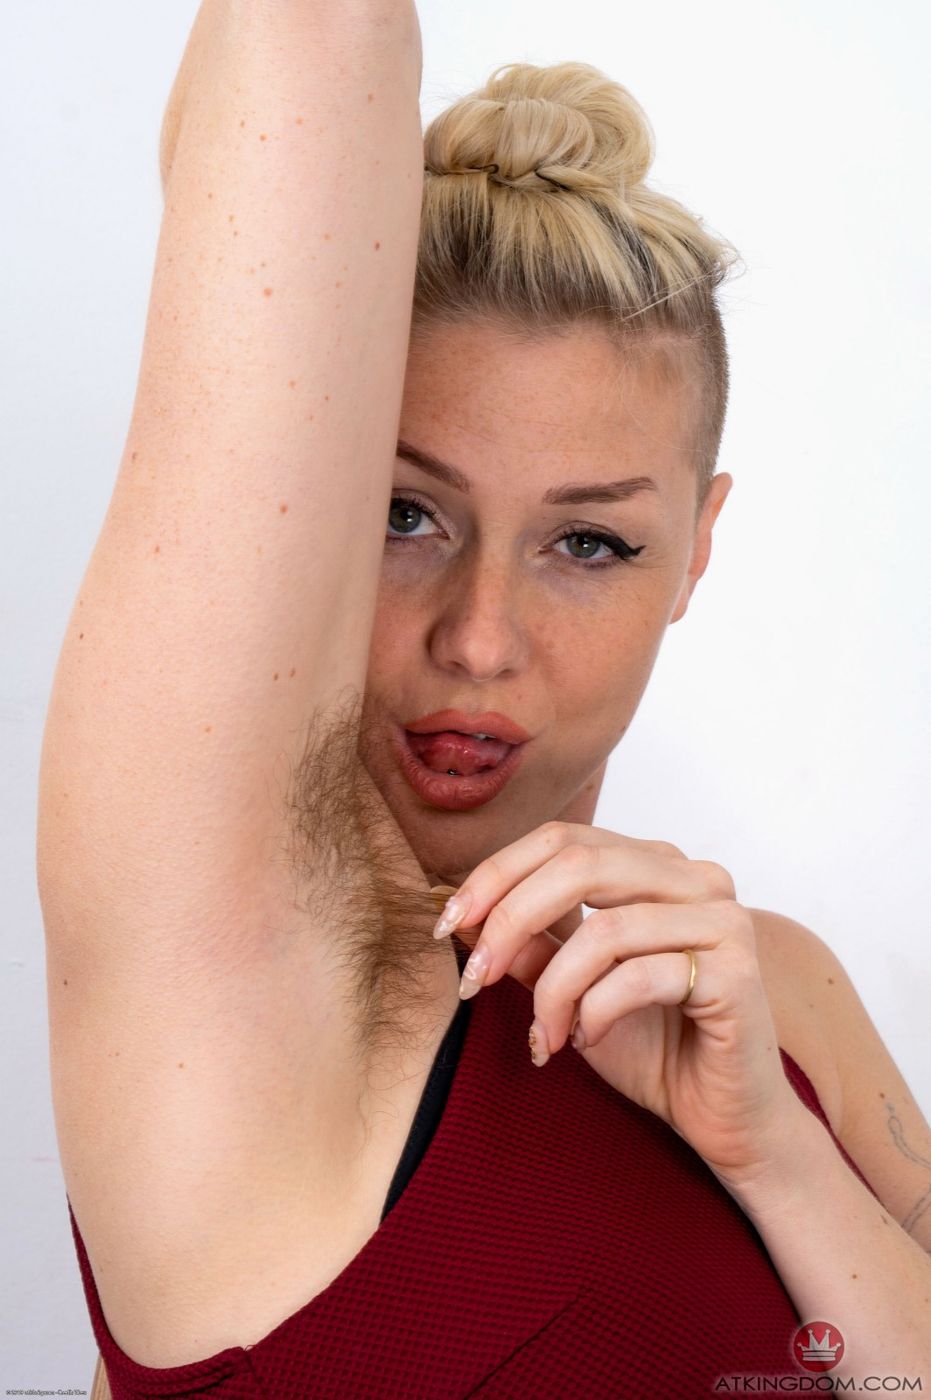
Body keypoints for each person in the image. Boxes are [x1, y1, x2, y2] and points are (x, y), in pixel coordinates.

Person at [37, 3, 930, 1397]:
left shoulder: (773, 992)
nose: (480, 639)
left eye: (590, 543)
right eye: (405, 515)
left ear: (696, 550)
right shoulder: (227, 987)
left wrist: (779, 1156)